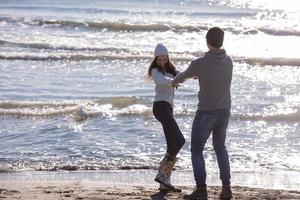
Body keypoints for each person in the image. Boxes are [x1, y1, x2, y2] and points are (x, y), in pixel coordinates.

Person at [171, 27, 233, 200]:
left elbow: (182, 77)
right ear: (222, 41)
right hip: (224, 110)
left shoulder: (200, 64)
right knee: (220, 148)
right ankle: (226, 189)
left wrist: (172, 82)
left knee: (196, 150)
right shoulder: (229, 61)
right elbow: (216, 78)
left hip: (206, 112)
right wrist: (200, 75)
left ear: (207, 41)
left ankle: (201, 189)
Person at [145, 43, 185, 192]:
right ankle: (162, 174)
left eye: (164, 59)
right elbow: (163, 82)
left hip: (167, 108)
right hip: (160, 107)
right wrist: (176, 80)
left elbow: (182, 74)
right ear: (155, 59)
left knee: (171, 144)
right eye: (159, 59)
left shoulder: (171, 70)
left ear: (168, 58)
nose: (162, 62)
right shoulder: (156, 71)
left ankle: (164, 182)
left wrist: (194, 74)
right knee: (180, 140)